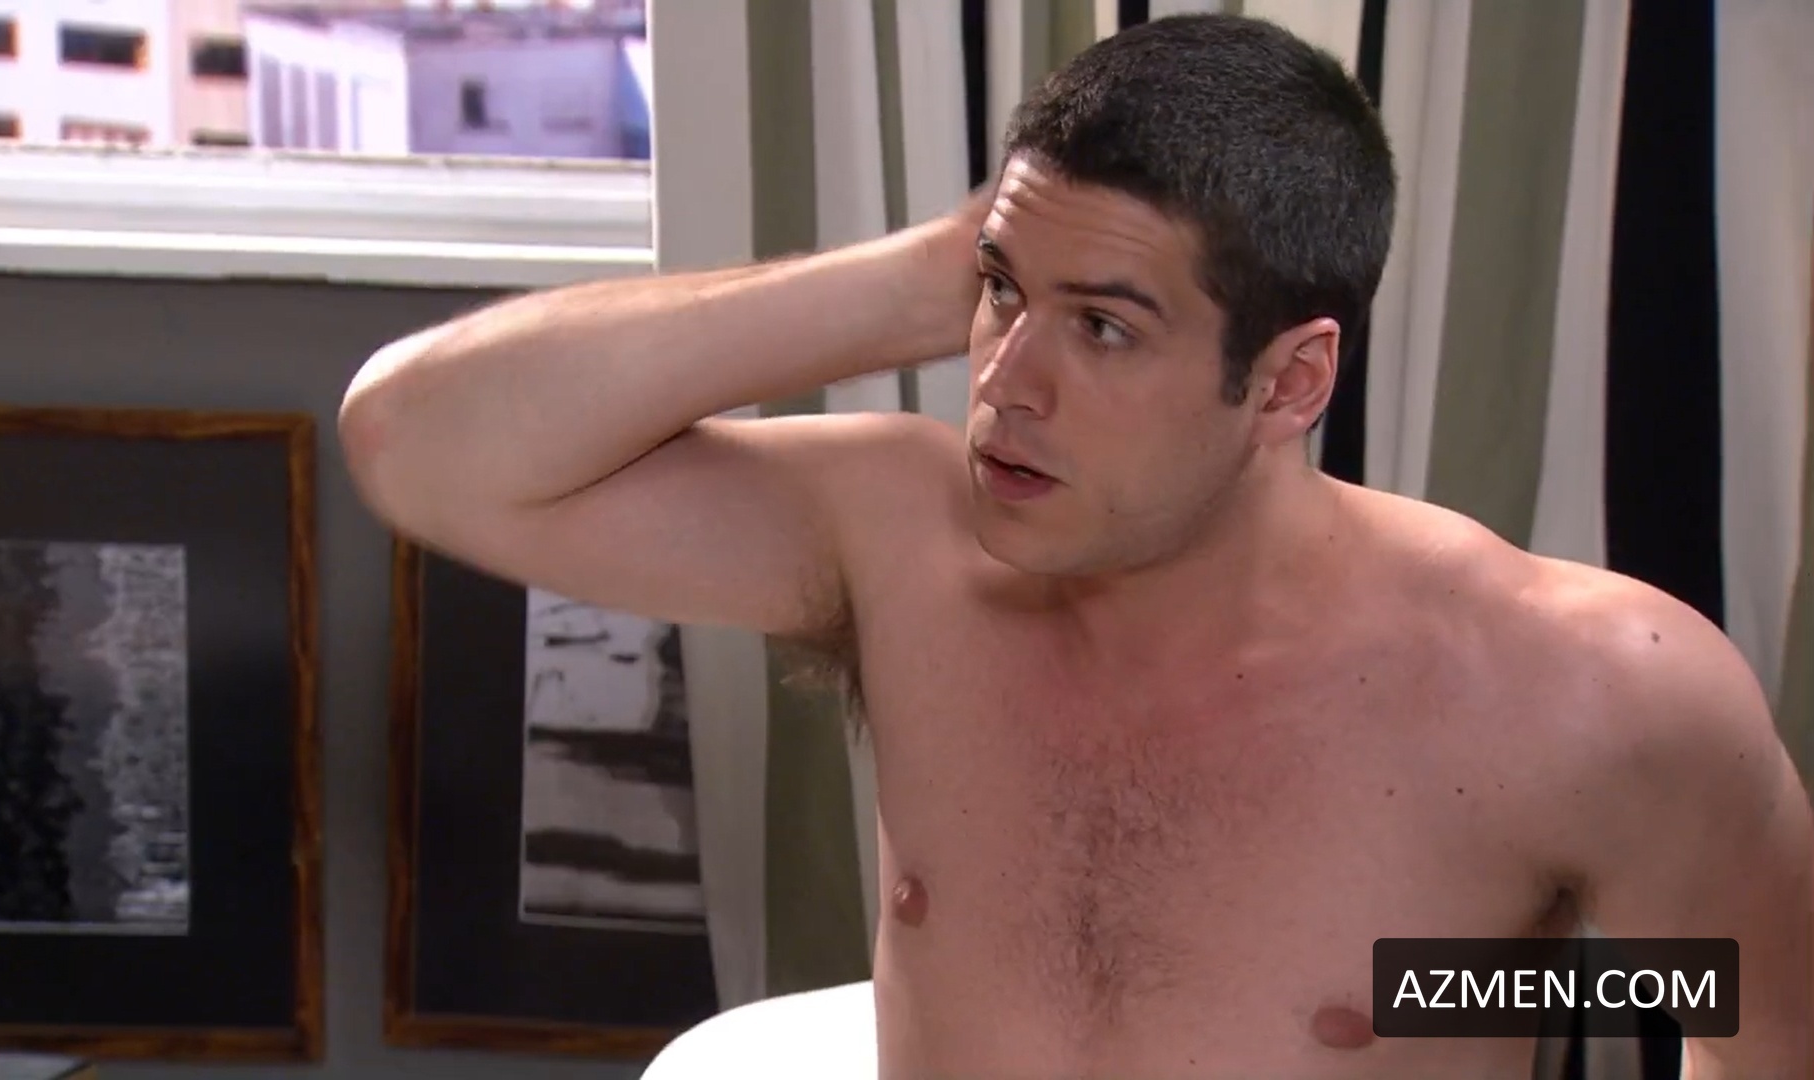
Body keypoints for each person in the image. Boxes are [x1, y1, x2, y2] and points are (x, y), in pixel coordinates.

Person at [339, 13, 1812, 1080]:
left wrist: (1443, 990)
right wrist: (930, 275)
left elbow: (1751, 1024)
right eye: (1001, 297)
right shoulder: (901, 538)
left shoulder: (1582, 687)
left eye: (1104, 327)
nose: (1005, 384)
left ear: (1288, 383)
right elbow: (422, 444)